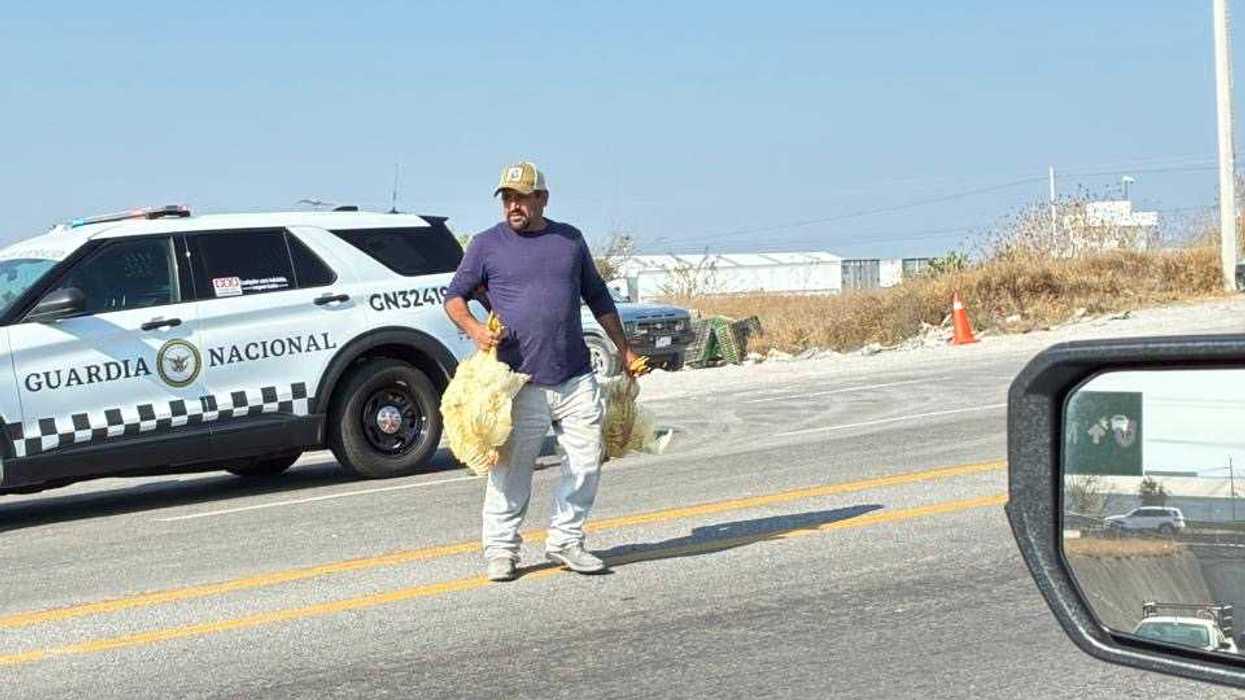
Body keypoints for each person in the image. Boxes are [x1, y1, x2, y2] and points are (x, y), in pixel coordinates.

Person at [443, 161, 642, 582]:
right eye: (507, 198)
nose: (513, 206)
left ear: (542, 199)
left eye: (522, 197)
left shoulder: (569, 241)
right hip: (520, 382)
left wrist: (623, 350)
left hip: (574, 375)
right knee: (512, 471)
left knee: (587, 461)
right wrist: (476, 329)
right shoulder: (485, 245)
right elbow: (454, 298)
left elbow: (599, 297)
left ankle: (566, 540)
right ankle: (501, 550)